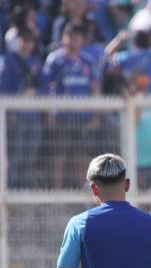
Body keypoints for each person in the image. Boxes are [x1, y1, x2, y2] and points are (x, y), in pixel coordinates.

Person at [41, 23, 100, 188]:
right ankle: (57, 191)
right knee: (59, 154)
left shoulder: (88, 61)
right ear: (63, 38)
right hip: (62, 116)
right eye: (70, 36)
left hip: (83, 116)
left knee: (82, 154)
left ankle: (83, 190)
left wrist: (96, 115)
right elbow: (47, 88)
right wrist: (49, 114)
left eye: (77, 36)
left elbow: (95, 88)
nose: (73, 40)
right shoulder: (55, 60)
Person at [0, 29, 43, 188]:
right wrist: (19, 95)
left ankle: (25, 191)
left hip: (33, 116)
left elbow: (44, 86)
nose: (27, 44)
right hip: (14, 116)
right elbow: (1, 88)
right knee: (14, 156)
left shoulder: (36, 61)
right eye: (24, 39)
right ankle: (12, 190)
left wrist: (35, 92)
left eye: (30, 40)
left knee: (30, 156)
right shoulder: (6, 60)